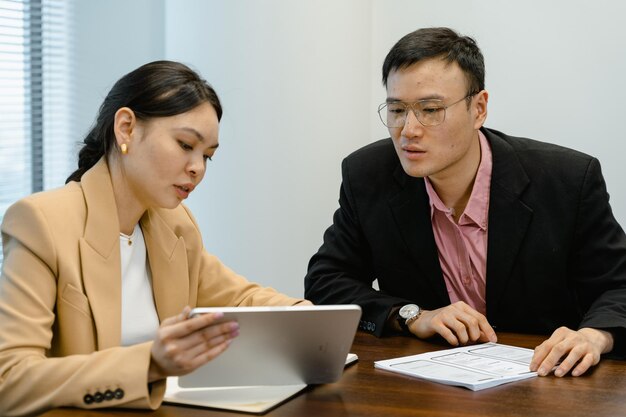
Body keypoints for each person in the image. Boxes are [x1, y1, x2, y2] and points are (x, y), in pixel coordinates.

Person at [305, 27, 626, 379]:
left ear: (479, 108)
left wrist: (595, 336)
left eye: (430, 109)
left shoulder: (566, 180)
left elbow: (618, 284)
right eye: (397, 110)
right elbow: (326, 283)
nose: (408, 129)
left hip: (548, 380)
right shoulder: (368, 175)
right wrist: (412, 315)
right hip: (426, 387)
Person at [0, 60, 308, 416]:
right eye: (184, 144)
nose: (198, 168)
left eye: (207, 156)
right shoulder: (42, 221)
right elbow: (9, 380)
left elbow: (240, 298)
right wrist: (149, 363)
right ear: (127, 128)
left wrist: (308, 317)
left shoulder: (174, 224)